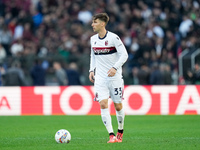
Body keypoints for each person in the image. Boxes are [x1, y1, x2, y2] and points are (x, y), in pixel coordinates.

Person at [89, 13, 128, 143]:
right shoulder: (93, 39)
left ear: (102, 24)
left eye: (95, 22)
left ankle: (120, 131)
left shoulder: (114, 38)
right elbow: (93, 56)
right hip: (100, 78)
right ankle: (111, 135)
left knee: (117, 106)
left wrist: (115, 68)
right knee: (103, 103)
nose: (92, 24)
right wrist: (91, 70)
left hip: (115, 77)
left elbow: (124, 55)